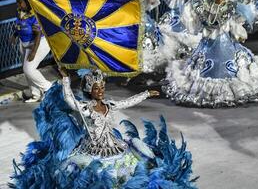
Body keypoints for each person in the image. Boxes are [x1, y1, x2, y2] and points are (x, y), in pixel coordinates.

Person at [10, 68, 198, 188]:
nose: (100, 91)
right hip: (92, 148)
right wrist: (66, 79)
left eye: (101, 88)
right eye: (96, 89)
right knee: (93, 174)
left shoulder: (109, 104)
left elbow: (128, 102)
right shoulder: (86, 108)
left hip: (115, 146)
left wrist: (146, 93)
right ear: (89, 91)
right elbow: (70, 100)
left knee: (133, 165)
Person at [162, 0, 258, 108]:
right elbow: (197, 23)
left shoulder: (231, 5)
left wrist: (238, 31)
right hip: (208, 45)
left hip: (227, 43)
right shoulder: (204, 6)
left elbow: (239, 21)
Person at [10, 0, 52, 103]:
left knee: (28, 69)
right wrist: (15, 35)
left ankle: (49, 88)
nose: (18, 5)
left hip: (39, 43)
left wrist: (33, 51)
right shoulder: (19, 11)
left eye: (20, 2)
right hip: (24, 42)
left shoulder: (34, 14)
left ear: (28, 1)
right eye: (17, 2)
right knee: (27, 70)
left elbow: (38, 34)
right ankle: (35, 94)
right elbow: (19, 25)